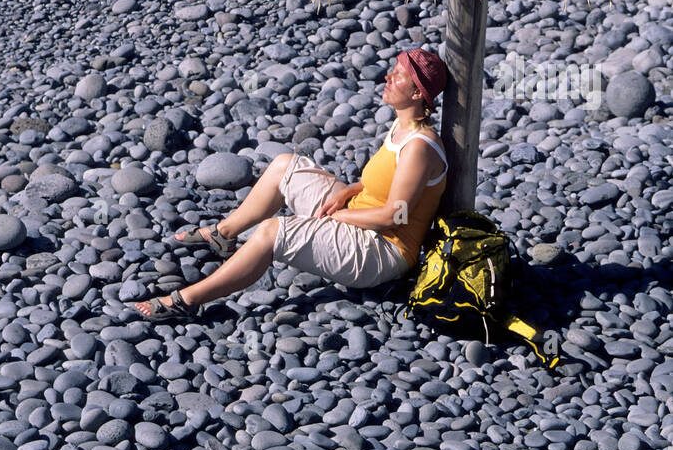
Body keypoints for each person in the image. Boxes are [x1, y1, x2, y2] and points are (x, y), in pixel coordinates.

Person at [132, 47, 449, 321]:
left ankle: (187, 300)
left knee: (271, 232)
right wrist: (350, 193)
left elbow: (395, 215)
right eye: (392, 71)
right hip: (360, 216)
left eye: (398, 76)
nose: (387, 78)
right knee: (286, 164)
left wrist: (336, 217)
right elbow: (379, 182)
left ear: (418, 93)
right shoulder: (401, 126)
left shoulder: (418, 146)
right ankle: (224, 235)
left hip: (382, 251)